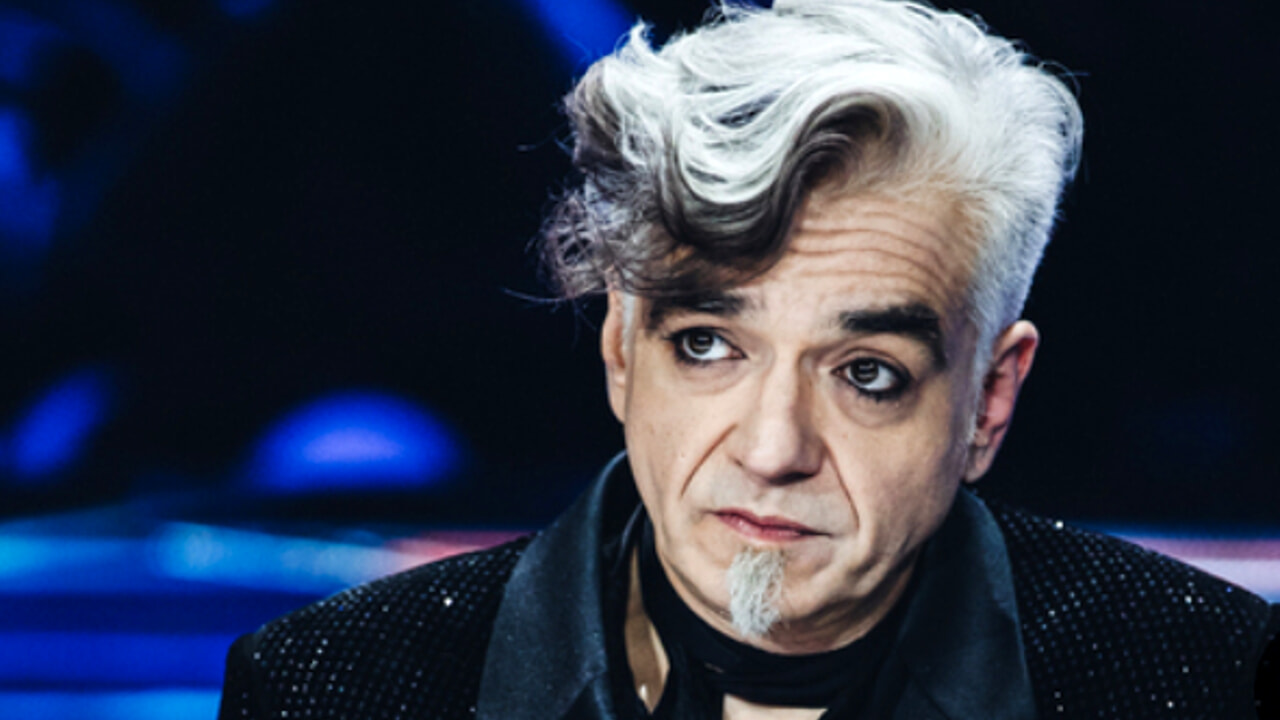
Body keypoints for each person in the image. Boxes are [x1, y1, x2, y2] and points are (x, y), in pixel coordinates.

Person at [218, 1, 1279, 718]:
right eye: (707, 346)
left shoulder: (1202, 681)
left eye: (866, 372)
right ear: (620, 350)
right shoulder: (334, 690)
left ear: (989, 403)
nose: (772, 450)